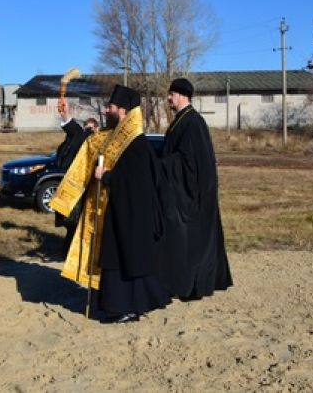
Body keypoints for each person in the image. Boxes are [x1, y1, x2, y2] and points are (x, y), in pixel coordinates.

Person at [51, 85, 169, 323]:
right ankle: (132, 306)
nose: (107, 110)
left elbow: (136, 181)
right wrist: (67, 118)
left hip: (131, 217)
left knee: (124, 262)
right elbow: (89, 141)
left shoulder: (136, 144)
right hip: (117, 213)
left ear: (123, 111)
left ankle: (122, 308)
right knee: (123, 262)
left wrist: (105, 176)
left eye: (111, 107)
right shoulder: (113, 136)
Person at [156, 78, 233, 299]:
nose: (168, 98)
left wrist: (162, 164)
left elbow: (189, 162)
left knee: (189, 242)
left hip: (192, 196)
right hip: (182, 191)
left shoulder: (193, 122)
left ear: (180, 95)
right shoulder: (181, 120)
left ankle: (190, 285)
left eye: (171, 94)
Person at [54, 98, 99, 257]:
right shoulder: (79, 139)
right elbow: (76, 134)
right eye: (87, 129)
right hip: (75, 194)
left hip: (94, 196)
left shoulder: (100, 141)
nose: (89, 132)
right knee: (73, 231)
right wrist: (66, 116)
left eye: (91, 129)